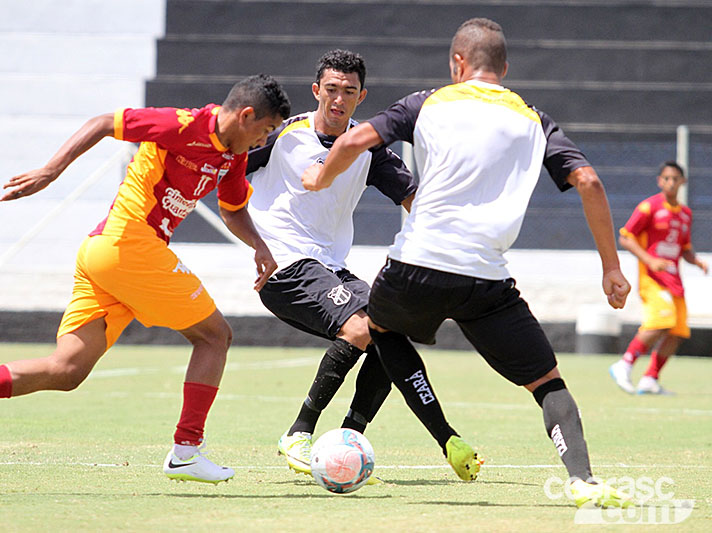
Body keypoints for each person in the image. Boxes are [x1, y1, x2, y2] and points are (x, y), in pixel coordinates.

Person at [302, 18, 633, 508]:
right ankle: (583, 480)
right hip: (486, 278)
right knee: (547, 382)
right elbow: (589, 183)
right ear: (504, 67)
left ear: (459, 63)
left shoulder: (428, 102)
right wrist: (611, 267)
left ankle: (434, 434)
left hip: (415, 265)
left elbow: (352, 142)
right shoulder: (534, 118)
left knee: (382, 328)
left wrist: (318, 179)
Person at [0, 74, 291, 485]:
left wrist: (259, 246)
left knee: (67, 370)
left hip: (106, 253)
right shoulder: (183, 124)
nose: (263, 142)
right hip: (128, 244)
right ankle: (186, 450)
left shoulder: (232, 156)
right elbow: (103, 123)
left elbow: (233, 209)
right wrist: (50, 171)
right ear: (246, 115)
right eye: (265, 131)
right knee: (216, 336)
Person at [246, 50, 416, 477]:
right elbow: (227, 168)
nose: (338, 100)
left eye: (350, 92)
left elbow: (416, 200)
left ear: (362, 97)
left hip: (329, 266)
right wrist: (254, 241)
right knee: (360, 327)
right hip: (285, 264)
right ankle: (299, 432)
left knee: (393, 332)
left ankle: (348, 438)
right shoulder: (282, 135)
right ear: (316, 90)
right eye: (332, 90)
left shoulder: (367, 148)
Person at [609, 161, 708, 395]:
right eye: (666, 178)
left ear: (683, 182)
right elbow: (626, 237)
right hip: (652, 277)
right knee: (662, 321)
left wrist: (697, 261)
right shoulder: (648, 207)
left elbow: (684, 249)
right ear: (659, 181)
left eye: (675, 179)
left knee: (678, 331)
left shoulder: (685, 214)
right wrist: (650, 260)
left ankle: (650, 379)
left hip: (674, 280)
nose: (671, 183)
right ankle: (624, 364)